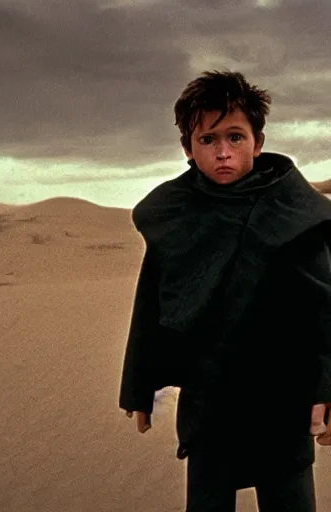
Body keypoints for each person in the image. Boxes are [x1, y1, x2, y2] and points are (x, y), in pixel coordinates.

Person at [118, 70, 331, 511]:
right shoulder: (175, 215)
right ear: (188, 150)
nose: (223, 153)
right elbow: (152, 299)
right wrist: (139, 386)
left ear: (258, 141)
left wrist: (329, 385)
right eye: (208, 140)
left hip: (282, 399)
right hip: (209, 401)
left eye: (235, 137)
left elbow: (324, 305)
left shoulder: (295, 211)